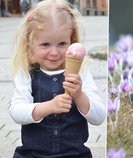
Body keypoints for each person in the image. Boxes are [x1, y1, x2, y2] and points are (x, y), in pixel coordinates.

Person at [10, 0, 106, 157]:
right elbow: (17, 112)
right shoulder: (26, 73)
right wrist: (48, 107)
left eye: (62, 44)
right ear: (30, 45)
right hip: (33, 154)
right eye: (45, 44)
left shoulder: (80, 73)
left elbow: (99, 117)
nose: (54, 52)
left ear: (72, 42)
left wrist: (79, 95)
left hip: (74, 154)